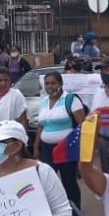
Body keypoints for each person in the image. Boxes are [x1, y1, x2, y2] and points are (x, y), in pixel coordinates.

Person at [34, 71, 87, 208]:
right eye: (47, 83)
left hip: (66, 148)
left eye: (53, 83)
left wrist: (81, 152)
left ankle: (75, 212)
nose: (50, 86)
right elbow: (41, 126)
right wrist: (36, 147)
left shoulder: (70, 99)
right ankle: (53, 211)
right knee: (46, 180)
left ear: (61, 83)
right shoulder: (44, 102)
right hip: (46, 149)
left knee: (68, 181)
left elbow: (82, 126)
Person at [0, 67, 29, 135]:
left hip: (11, 135)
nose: (3, 83)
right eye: (0, 80)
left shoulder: (16, 95)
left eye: (6, 80)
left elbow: (23, 120)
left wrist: (23, 138)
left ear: (10, 81)